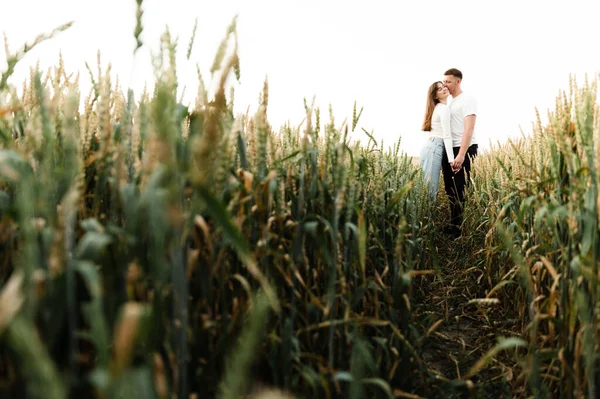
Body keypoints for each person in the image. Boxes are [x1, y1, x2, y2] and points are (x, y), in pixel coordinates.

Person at [441, 68, 478, 238]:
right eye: (444, 81)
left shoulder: (467, 100)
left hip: (465, 148)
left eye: (448, 81)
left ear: (458, 81)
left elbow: (469, 128)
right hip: (451, 149)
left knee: (461, 188)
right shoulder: (450, 103)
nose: (445, 85)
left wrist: (461, 154)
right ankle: (453, 223)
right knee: (450, 187)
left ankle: (459, 228)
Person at [419, 81, 454, 200]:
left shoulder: (438, 108)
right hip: (435, 147)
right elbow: (447, 136)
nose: (444, 88)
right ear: (435, 96)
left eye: (443, 86)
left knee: (425, 190)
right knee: (430, 193)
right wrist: (451, 160)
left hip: (430, 146)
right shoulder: (443, 109)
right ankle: (427, 218)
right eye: (439, 89)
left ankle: (424, 217)